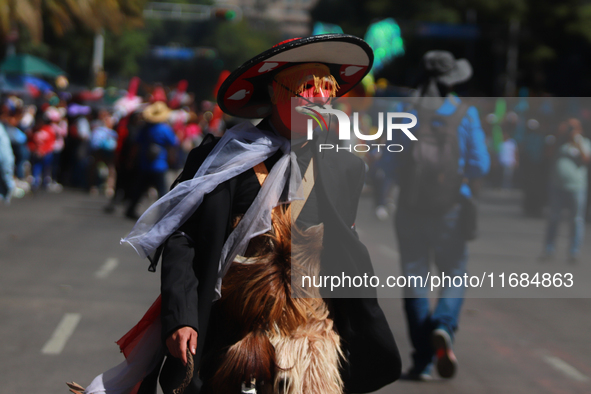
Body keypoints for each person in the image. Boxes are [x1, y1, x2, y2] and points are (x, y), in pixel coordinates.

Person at [75, 34, 401, 394]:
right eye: (307, 87)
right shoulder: (223, 160)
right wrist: (181, 319)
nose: (321, 99)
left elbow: (344, 250)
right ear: (277, 93)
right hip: (236, 334)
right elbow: (184, 241)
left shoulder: (344, 168)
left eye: (328, 88)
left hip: (312, 337)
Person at [393, 51, 490, 381]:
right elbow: (481, 165)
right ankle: (444, 325)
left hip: (410, 207)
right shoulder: (465, 113)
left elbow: (390, 162)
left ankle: (423, 361)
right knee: (455, 271)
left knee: (414, 277)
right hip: (451, 207)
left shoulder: (406, 109)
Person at [542, 117, 590, 262]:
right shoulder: (559, 142)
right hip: (557, 185)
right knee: (554, 217)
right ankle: (549, 249)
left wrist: (577, 139)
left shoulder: (584, 142)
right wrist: (559, 134)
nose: (570, 130)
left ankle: (574, 251)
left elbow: (586, 159)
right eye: (569, 127)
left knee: (576, 220)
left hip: (577, 186)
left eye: (573, 127)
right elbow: (547, 154)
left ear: (580, 129)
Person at [125, 101, 179, 219]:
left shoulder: (144, 129)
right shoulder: (165, 129)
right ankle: (164, 214)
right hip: (160, 165)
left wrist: (131, 160)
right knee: (162, 192)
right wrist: (172, 158)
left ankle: (131, 209)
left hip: (144, 164)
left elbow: (136, 146)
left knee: (139, 189)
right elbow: (173, 144)